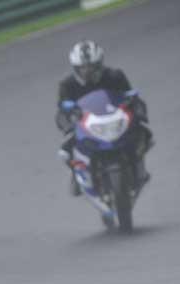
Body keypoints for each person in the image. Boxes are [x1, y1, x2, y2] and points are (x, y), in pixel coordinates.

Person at [55, 40, 153, 196]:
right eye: (83, 68)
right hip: (84, 123)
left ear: (100, 64)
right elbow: (61, 109)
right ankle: (75, 173)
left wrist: (137, 111)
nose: (87, 71)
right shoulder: (67, 84)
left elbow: (130, 95)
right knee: (66, 149)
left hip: (114, 119)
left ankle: (138, 165)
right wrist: (69, 124)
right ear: (75, 68)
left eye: (92, 66)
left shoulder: (115, 76)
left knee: (145, 134)